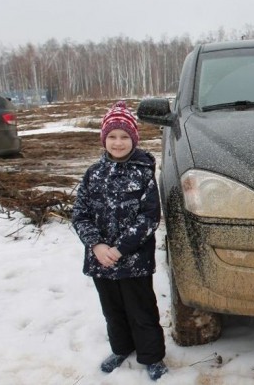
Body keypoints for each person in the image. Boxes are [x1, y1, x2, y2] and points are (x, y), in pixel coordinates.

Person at [71, 101, 168, 381]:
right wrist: (97, 246)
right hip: (100, 260)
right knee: (112, 310)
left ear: (134, 139)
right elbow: (80, 214)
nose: (118, 142)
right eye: (112, 136)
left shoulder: (143, 173)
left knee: (142, 310)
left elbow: (149, 217)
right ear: (104, 139)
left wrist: (120, 249)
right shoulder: (93, 174)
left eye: (124, 136)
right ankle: (121, 348)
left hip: (134, 259)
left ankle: (152, 357)